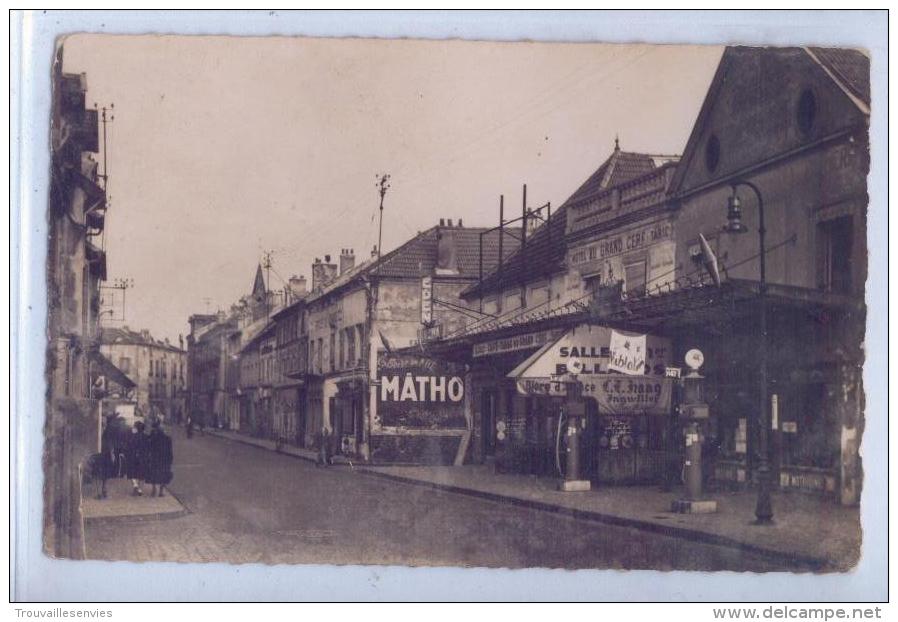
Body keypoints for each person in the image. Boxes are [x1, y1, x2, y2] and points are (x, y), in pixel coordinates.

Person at [146, 420, 174, 497]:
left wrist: (149, 457)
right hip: (165, 459)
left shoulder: (154, 438)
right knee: (164, 475)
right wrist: (170, 459)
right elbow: (170, 450)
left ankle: (154, 488)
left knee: (154, 474)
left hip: (155, 458)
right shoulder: (168, 439)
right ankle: (161, 491)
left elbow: (149, 448)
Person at [125, 420, 148, 496]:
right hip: (143, 457)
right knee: (142, 474)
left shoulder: (133, 437)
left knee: (132, 473)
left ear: (137, 428)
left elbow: (129, 447)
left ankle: (135, 485)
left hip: (133, 457)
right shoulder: (146, 437)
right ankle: (140, 489)